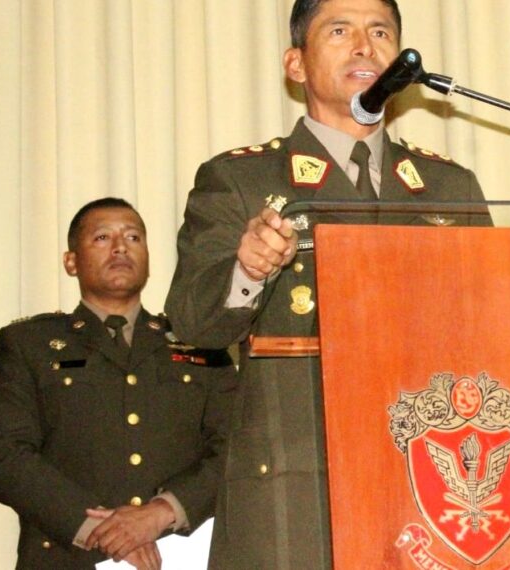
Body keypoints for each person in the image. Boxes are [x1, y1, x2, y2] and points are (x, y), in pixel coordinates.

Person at [164, 0, 489, 567]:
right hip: (296, 479)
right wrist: (248, 269)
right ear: (296, 64)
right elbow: (193, 322)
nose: (365, 45)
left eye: (381, 32)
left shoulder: (447, 187)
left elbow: (496, 332)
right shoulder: (241, 178)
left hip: (428, 481)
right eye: (340, 30)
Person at [0, 198, 236, 569]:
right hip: (69, 555)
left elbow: (237, 447)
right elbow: (6, 458)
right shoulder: (28, 345)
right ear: (71, 261)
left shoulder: (202, 343)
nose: (120, 247)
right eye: (102, 237)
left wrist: (163, 512)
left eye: (133, 237)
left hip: (179, 555)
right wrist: (101, 531)